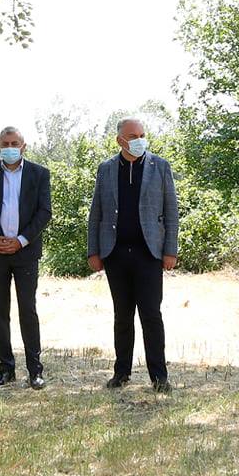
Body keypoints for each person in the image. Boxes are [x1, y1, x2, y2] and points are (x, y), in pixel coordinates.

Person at [86, 118, 178, 392]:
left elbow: (171, 212)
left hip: (149, 253)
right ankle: (121, 373)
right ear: (120, 141)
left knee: (151, 315)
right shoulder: (106, 169)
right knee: (122, 316)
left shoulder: (160, 166)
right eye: (133, 136)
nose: (139, 140)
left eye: (142, 135)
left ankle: (159, 377)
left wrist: (170, 250)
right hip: (115, 252)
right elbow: (96, 212)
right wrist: (94, 251)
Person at [0, 126, 51, 389]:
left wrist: (21, 240)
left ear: (23, 146)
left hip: (26, 252)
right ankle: (6, 369)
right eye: (5, 144)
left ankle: (35, 370)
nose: (10, 148)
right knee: (0, 310)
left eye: (14, 143)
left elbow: (44, 212)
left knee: (28, 310)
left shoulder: (39, 174)